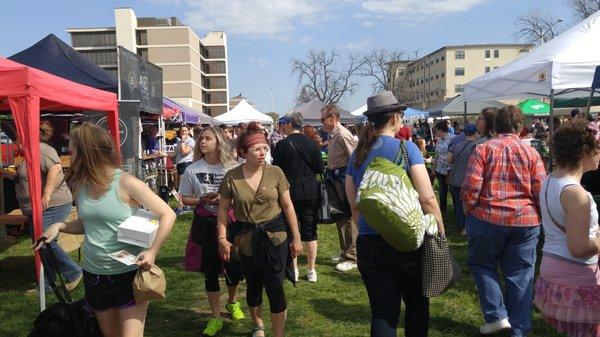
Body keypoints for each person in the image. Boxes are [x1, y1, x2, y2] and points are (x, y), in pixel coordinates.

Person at [35, 122, 176, 337]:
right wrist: (60, 226)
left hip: (128, 274)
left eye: (72, 151)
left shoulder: (126, 182)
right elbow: (88, 223)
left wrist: (152, 251)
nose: (69, 155)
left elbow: (168, 214)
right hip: (94, 275)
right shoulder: (81, 185)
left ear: (85, 152)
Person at [345, 91, 445, 337]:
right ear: (394, 119)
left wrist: (368, 229)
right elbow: (427, 197)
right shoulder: (406, 148)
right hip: (408, 241)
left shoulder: (357, 155)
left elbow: (354, 204)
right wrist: (441, 231)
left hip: (370, 243)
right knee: (417, 306)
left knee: (383, 314)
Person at [461, 106, 546, 336]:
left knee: (481, 265)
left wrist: (468, 213)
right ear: (521, 127)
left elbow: (470, 190)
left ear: (495, 126)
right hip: (525, 221)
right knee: (521, 275)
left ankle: (497, 315)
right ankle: (518, 329)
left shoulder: (483, 149)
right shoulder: (532, 153)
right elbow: (541, 191)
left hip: (488, 217)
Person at [216, 122, 302, 337]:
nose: (263, 152)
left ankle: (279, 334)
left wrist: (297, 237)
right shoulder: (232, 177)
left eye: (265, 147)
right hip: (246, 239)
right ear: (244, 152)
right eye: (257, 149)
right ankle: (259, 325)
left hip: (276, 238)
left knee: (275, 287)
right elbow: (223, 210)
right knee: (253, 288)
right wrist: (222, 238)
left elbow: (288, 206)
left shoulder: (276, 173)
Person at [533, 120, 600, 336]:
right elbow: (579, 247)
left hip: (554, 266)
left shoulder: (550, 179)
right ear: (585, 151)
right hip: (575, 273)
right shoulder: (576, 193)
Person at [179, 127, 244, 336]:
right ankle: (215, 317)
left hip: (230, 223)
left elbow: (243, 197)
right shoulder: (192, 169)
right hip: (204, 224)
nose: (202, 142)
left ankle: (232, 301)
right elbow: (184, 198)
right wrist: (202, 199)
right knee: (210, 271)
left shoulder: (233, 168)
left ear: (218, 142)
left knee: (234, 268)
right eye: (201, 139)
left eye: (208, 138)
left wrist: (226, 201)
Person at [14, 121, 82, 291]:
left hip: (53, 204)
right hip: (42, 206)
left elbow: (55, 168)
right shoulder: (29, 153)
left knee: (43, 241)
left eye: (17, 137)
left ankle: (73, 271)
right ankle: (47, 284)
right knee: (42, 244)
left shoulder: (42, 149)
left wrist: (46, 194)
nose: (16, 140)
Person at [273, 113, 324, 283]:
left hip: (289, 193)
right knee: (310, 231)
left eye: (283, 123)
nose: (281, 126)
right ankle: (311, 270)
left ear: (288, 124)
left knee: (290, 230)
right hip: (309, 191)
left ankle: (294, 268)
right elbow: (319, 168)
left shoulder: (281, 145)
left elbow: (276, 170)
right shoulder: (312, 143)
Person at [321, 104, 359, 272]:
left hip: (344, 179)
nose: (322, 122)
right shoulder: (332, 135)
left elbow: (355, 159)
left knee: (349, 217)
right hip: (335, 178)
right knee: (340, 216)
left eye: (323, 119)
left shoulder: (343, 134)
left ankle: (352, 256)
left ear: (333, 118)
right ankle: (346, 252)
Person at [447, 123, 478, 235]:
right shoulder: (475, 146)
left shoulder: (457, 144)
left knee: (458, 205)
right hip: (466, 180)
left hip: (454, 178)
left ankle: (460, 225)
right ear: (475, 133)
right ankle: (465, 228)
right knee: (467, 205)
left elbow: (449, 160)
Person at [433, 121, 455, 213]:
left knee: (453, 191)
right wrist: (434, 168)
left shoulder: (453, 139)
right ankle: (443, 209)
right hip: (440, 170)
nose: (435, 133)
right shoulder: (439, 140)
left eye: (436, 131)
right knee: (442, 190)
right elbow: (437, 155)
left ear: (441, 130)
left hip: (450, 170)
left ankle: (456, 209)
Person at [173, 125, 196, 214]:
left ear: (189, 131)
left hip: (186, 164)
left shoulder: (190, 141)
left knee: (182, 186)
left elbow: (184, 151)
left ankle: (181, 206)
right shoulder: (179, 141)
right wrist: (163, 154)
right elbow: (174, 154)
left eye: (185, 130)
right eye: (182, 131)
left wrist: (183, 141)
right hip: (180, 164)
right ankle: (185, 205)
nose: (183, 132)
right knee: (181, 186)